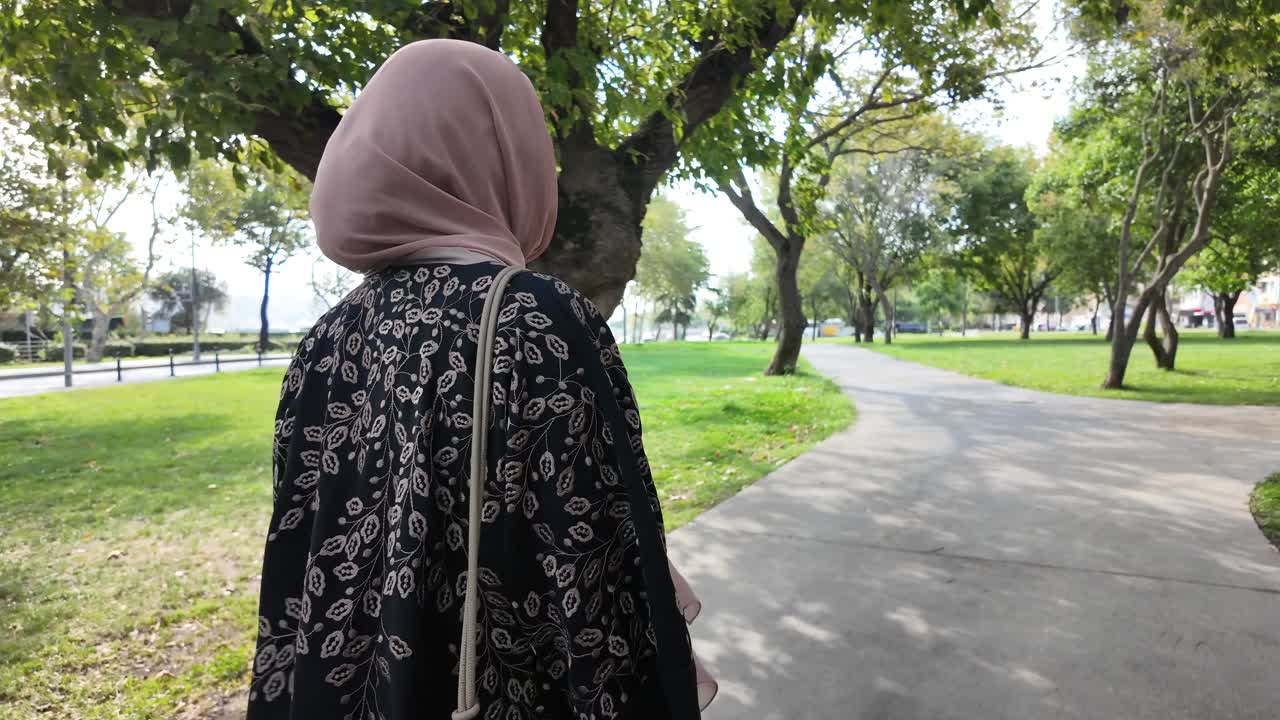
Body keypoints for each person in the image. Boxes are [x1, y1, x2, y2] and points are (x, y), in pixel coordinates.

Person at [246, 39, 715, 720]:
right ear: (507, 159)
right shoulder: (537, 319)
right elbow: (593, 567)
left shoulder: (325, 341)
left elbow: (300, 559)